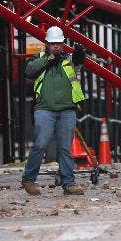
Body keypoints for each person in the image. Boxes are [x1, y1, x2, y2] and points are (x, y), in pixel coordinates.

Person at [21, 26, 86, 196]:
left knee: (65, 148)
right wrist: (49, 59)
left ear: (63, 44)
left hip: (67, 109)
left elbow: (79, 63)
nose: (56, 47)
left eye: (59, 43)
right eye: (53, 44)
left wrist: (80, 54)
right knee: (40, 144)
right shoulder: (39, 59)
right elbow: (29, 71)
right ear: (47, 44)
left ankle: (68, 184)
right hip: (45, 109)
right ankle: (28, 179)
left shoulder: (69, 61)